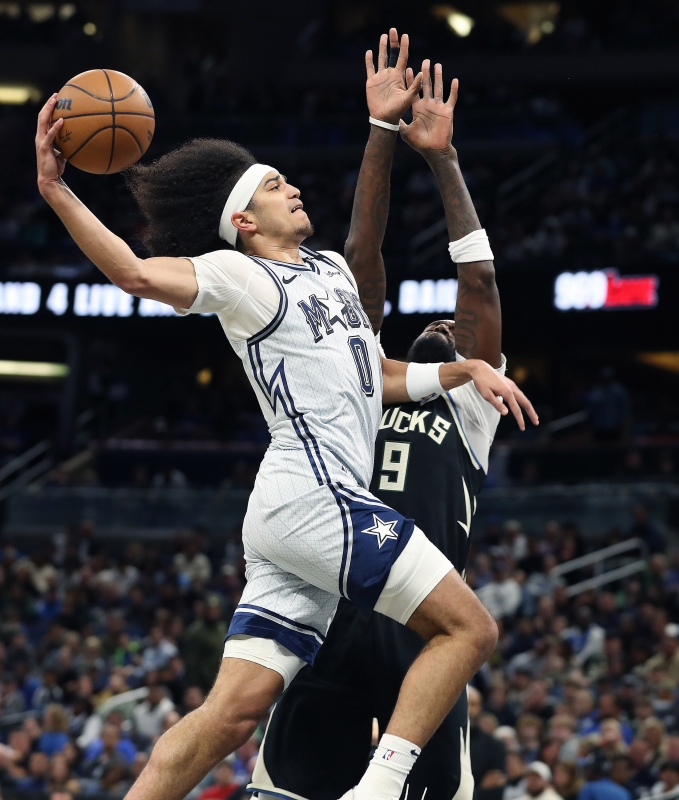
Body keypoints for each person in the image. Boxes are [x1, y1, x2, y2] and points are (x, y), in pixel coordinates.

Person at [35, 28, 536, 800]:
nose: (292, 187)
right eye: (273, 185)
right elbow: (134, 273)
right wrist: (59, 191)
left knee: (232, 712)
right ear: (244, 221)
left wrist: (459, 369)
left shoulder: (326, 271)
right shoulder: (241, 278)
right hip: (315, 498)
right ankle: (378, 790)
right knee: (472, 628)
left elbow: (372, 374)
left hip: (294, 517)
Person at [248, 54, 512, 800]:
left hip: (422, 623)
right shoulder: (357, 376)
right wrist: (379, 134)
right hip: (337, 604)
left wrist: (444, 161)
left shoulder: (470, 403)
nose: (442, 325)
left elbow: (479, 281)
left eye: (452, 328)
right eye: (435, 323)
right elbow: (360, 263)